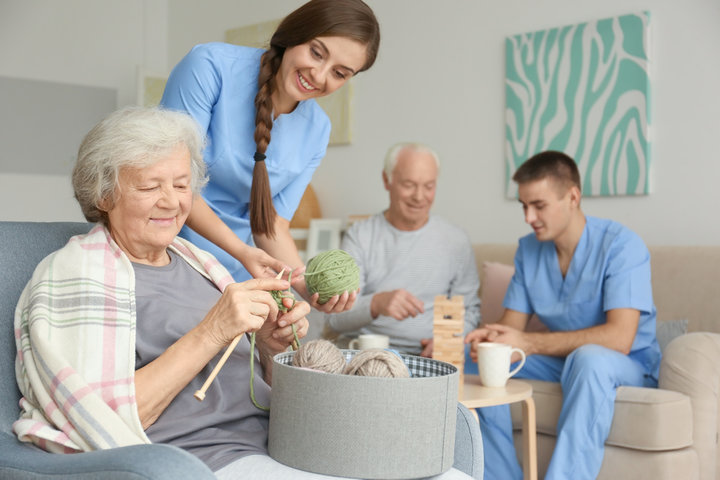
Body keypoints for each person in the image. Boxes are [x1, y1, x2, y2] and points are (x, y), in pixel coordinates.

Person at [14, 107, 472, 480]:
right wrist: (213, 329)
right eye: (151, 186)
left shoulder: (199, 264)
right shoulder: (80, 272)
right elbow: (102, 413)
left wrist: (273, 348)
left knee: (449, 473)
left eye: (181, 185)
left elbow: (260, 384)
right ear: (104, 194)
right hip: (210, 458)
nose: (172, 202)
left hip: (287, 437)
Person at [160, 0, 380, 314]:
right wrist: (242, 252)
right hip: (166, 255)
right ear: (295, 33)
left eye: (340, 73)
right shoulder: (208, 66)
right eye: (317, 53)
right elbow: (172, 185)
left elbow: (270, 227)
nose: (319, 76)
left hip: (236, 277)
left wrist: (303, 282)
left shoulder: (317, 130)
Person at [464, 150, 661, 480]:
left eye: (538, 206)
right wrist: (488, 340)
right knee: (477, 361)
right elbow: (512, 333)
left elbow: (620, 338)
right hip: (560, 361)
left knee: (589, 360)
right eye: (524, 206)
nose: (528, 216)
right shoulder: (529, 249)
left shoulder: (622, 246)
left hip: (625, 365)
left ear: (572, 197)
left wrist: (529, 343)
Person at [324, 143, 481, 356]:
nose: (419, 196)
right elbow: (334, 318)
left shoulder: (456, 241)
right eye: (409, 184)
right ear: (386, 180)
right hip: (365, 353)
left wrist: (450, 338)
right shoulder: (360, 236)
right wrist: (376, 303)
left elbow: (469, 311)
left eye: (429, 186)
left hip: (429, 357)